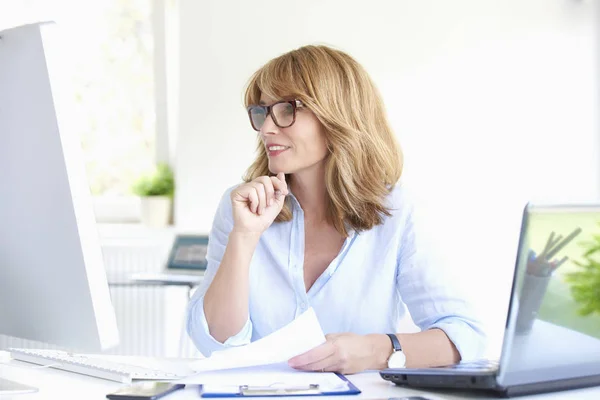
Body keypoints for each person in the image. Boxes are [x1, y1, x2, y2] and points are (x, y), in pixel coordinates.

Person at [187, 45, 486, 374]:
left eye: (286, 109)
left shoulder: (398, 212)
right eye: (262, 112)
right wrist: (244, 237)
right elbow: (215, 343)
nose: (267, 128)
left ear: (337, 114)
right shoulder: (242, 207)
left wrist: (377, 350)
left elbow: (464, 335)